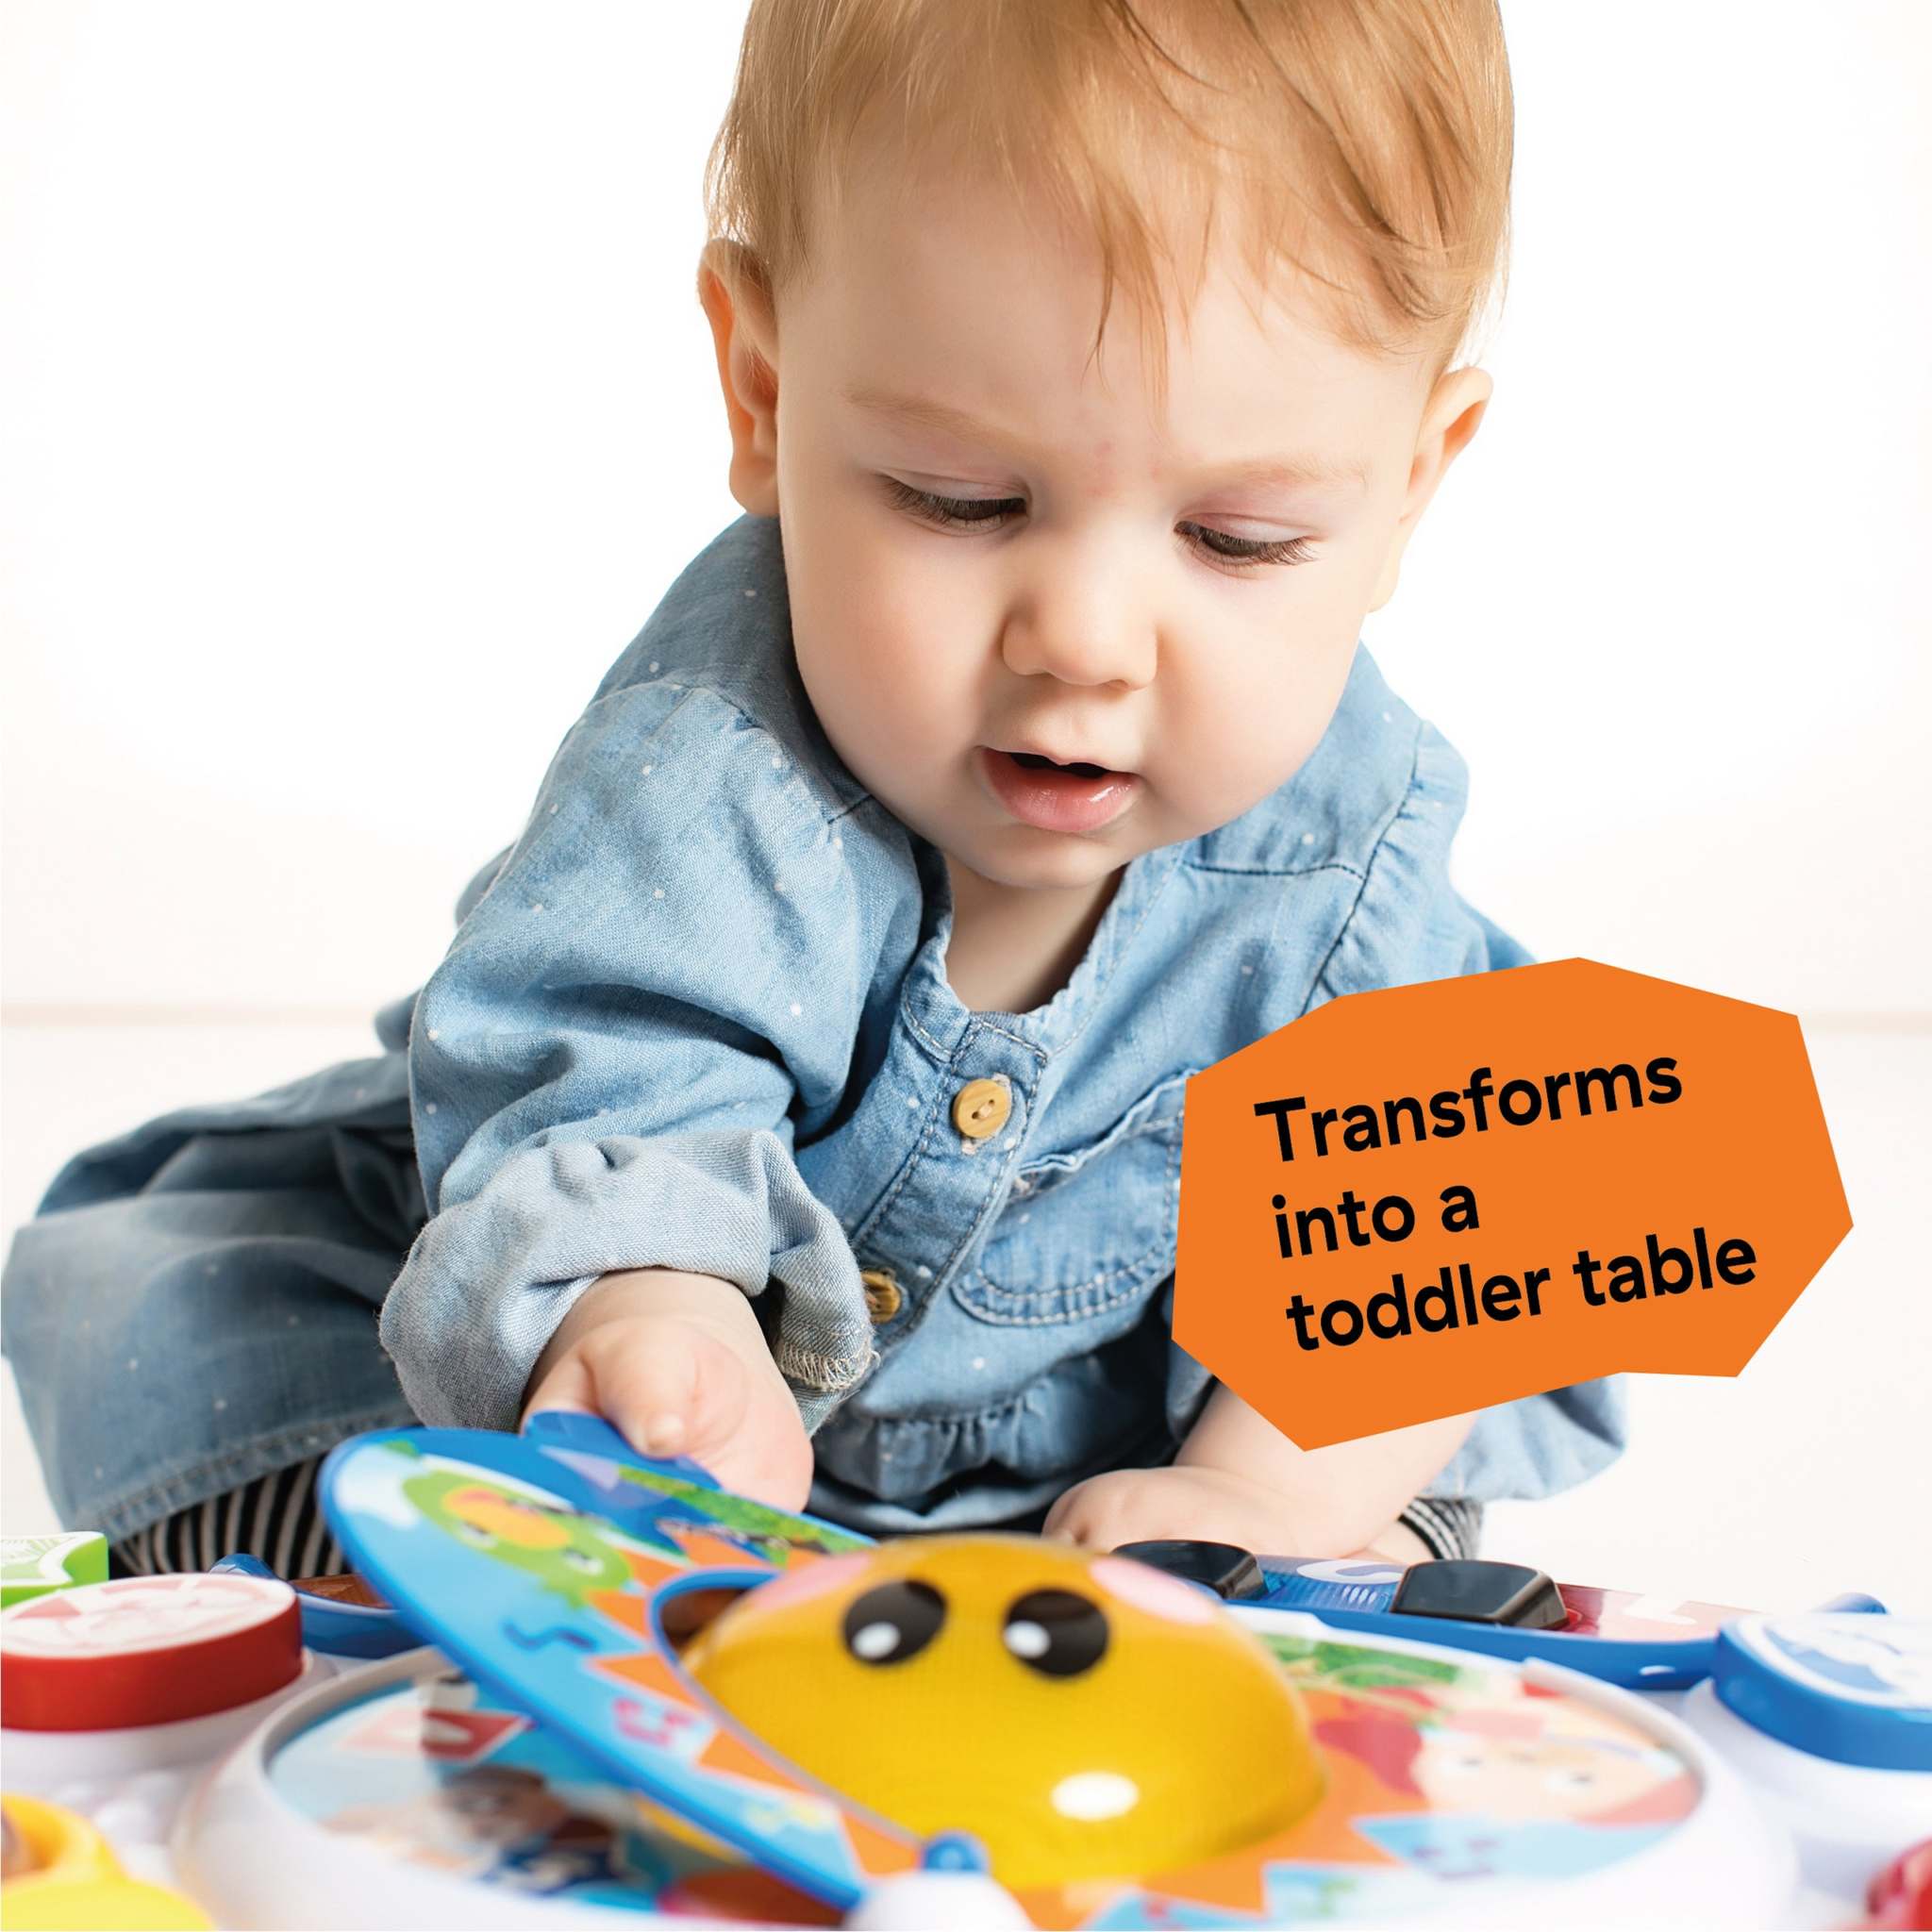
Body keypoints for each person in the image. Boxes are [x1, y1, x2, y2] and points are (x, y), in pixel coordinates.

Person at [2, 0, 1624, 1578]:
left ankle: (1218, 1572)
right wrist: (660, 1320)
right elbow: (612, 1078)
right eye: (963, 500)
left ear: (1415, 479)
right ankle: (431, 1565)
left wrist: (1258, 1497)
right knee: (239, 1356)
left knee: (1438, 1406)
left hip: (1092, 1462)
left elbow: (1429, 1222)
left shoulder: (1358, 836)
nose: (1085, 636)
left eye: (1237, 539)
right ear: (764, 391)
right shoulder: (715, 766)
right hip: (659, 1397)